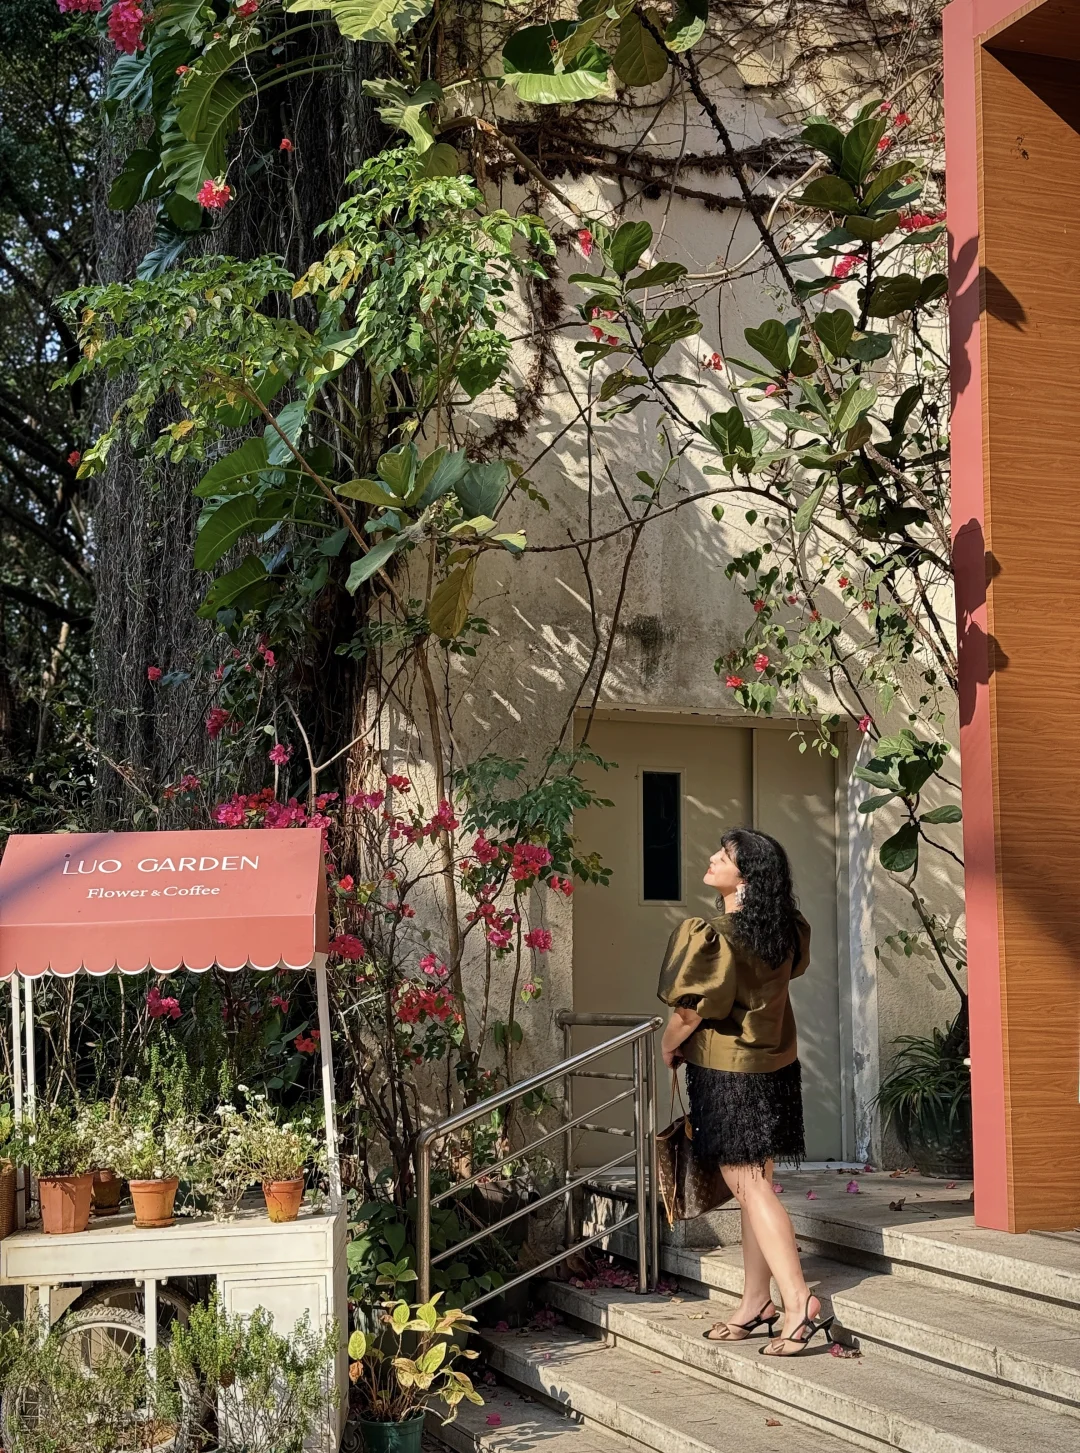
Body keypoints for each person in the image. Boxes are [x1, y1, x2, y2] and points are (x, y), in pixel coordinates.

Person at [657, 827, 833, 1357]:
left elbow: (690, 1011)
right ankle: (757, 1301)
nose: (712, 858)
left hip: (728, 1073)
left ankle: (798, 1303)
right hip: (774, 1066)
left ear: (747, 878)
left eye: (725, 856)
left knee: (751, 1188)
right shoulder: (785, 930)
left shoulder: (712, 934)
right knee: (758, 1187)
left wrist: (668, 1045)